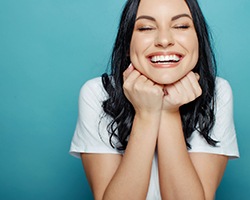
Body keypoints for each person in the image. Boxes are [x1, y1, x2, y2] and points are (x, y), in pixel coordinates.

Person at [70, 0, 239, 199]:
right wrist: (147, 114)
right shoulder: (98, 93)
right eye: (146, 27)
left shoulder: (216, 92)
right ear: (127, 44)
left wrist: (169, 111)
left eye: (181, 26)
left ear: (199, 39)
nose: (164, 40)